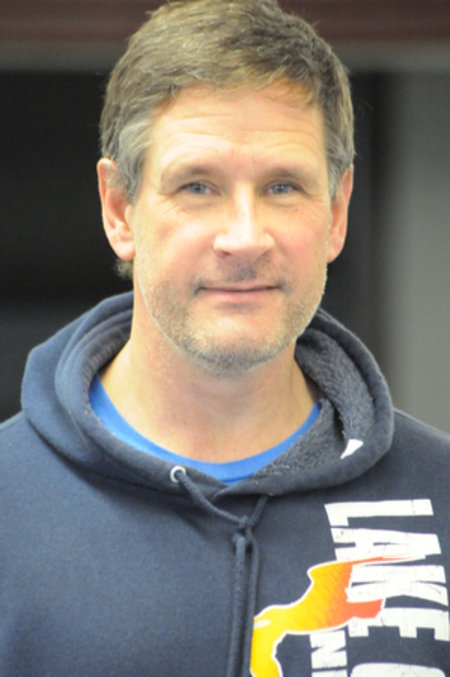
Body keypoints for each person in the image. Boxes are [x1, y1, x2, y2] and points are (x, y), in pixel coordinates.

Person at [1, 0, 449, 674]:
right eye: (198, 186)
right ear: (119, 208)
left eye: (283, 186)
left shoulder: (438, 498)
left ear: (336, 211)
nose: (245, 237)